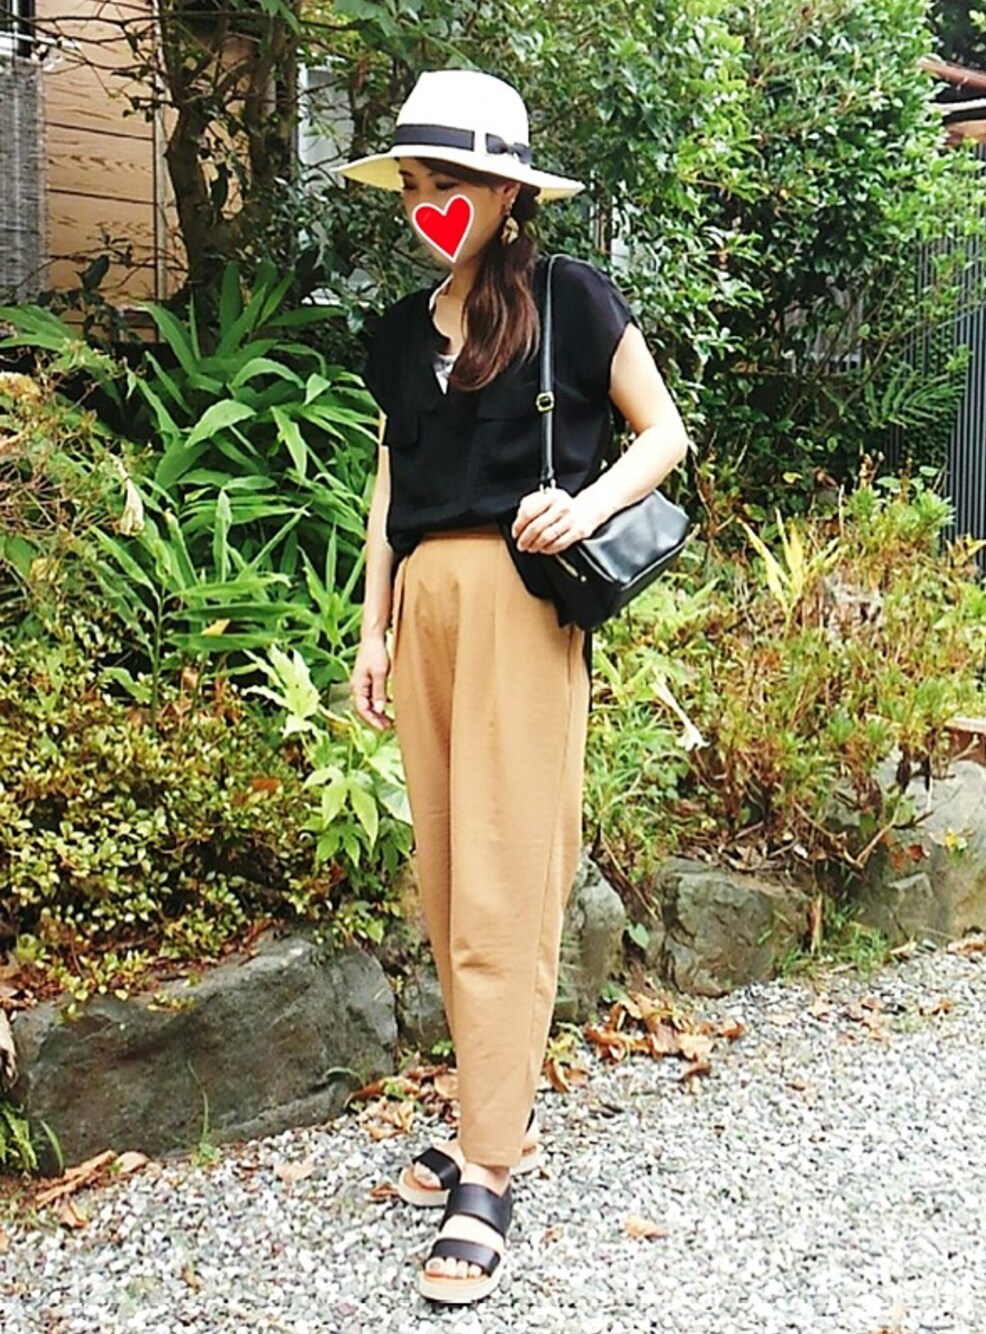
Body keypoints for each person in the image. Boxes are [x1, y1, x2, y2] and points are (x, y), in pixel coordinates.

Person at [335, 69, 690, 1305]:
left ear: (504, 192)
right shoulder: (399, 331)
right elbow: (390, 489)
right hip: (425, 609)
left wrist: (581, 506)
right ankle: (492, 1106)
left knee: (504, 874)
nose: (425, 205)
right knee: (445, 873)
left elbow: (663, 435)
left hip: (521, 608)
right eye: (412, 185)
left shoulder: (570, 300)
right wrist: (371, 630)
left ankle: (487, 1167)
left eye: (447, 183)